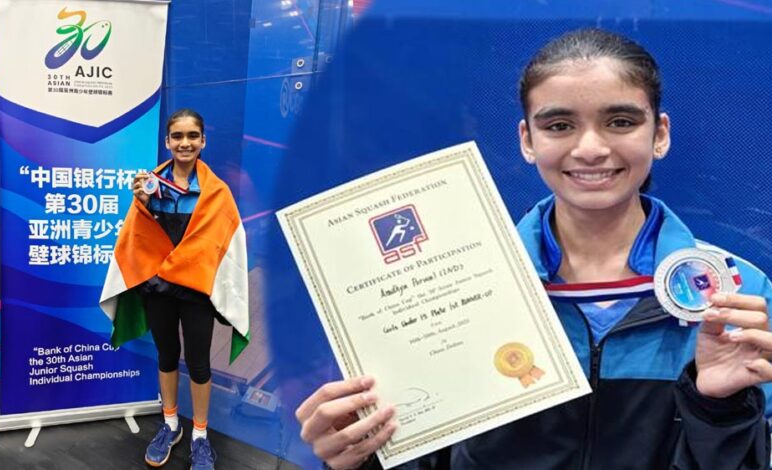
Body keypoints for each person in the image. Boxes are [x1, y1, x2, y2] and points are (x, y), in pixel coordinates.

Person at [294, 29, 772, 469]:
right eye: (559, 125)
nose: (590, 148)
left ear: (659, 134)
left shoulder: (737, 292)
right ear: (527, 140)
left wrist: (720, 409)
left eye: (620, 121)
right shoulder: (457, 282)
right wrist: (359, 459)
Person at [99, 109, 249, 470]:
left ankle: (199, 435)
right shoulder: (150, 186)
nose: (185, 143)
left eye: (192, 136)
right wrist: (142, 204)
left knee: (198, 363)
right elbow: (137, 238)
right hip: (159, 290)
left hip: (196, 292)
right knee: (166, 356)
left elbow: (228, 243)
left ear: (203, 141)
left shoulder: (217, 193)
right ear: (167, 141)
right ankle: (170, 425)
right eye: (178, 136)